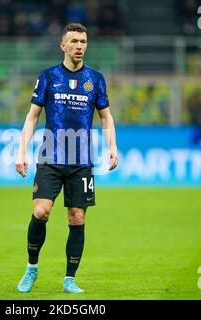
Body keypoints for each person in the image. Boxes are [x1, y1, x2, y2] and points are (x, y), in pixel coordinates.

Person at [15, 23, 119, 294]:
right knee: (41, 211)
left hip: (82, 160)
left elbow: (106, 116)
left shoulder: (95, 79)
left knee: (76, 218)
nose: (79, 46)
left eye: (83, 41)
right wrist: (21, 150)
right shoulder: (48, 76)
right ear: (63, 46)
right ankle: (31, 267)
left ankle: (70, 279)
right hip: (51, 156)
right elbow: (32, 116)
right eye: (74, 41)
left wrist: (113, 146)